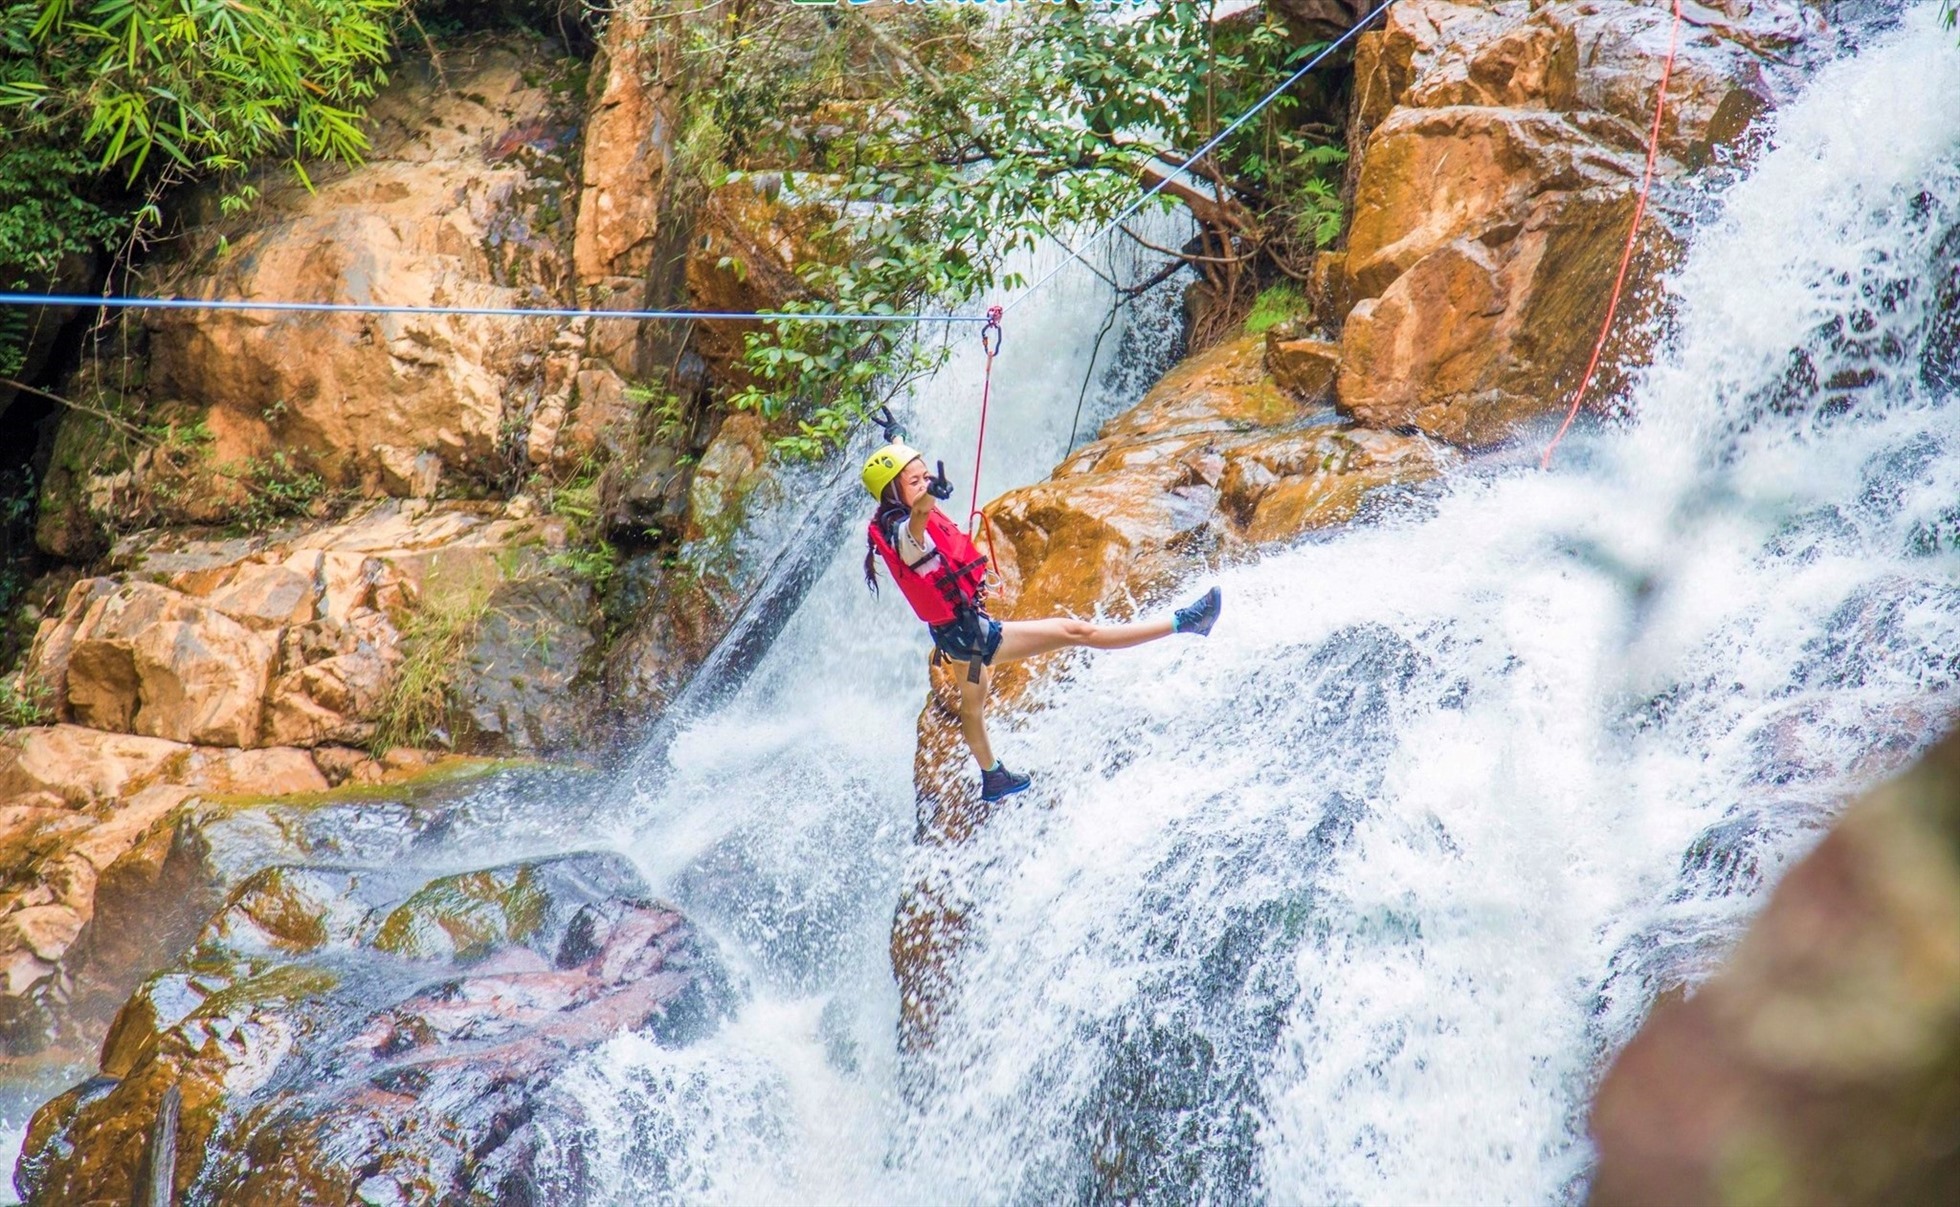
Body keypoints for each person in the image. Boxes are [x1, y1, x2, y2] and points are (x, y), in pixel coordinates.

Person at [861, 438, 1221, 802]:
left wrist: (897, 438)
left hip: (954, 637)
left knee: (974, 703)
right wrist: (931, 494)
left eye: (926, 478)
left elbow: (908, 490)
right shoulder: (906, 537)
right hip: (975, 638)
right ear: (894, 493)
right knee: (1077, 631)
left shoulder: (894, 513)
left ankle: (993, 777)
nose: (924, 485)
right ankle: (1186, 623)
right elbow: (920, 515)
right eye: (916, 482)